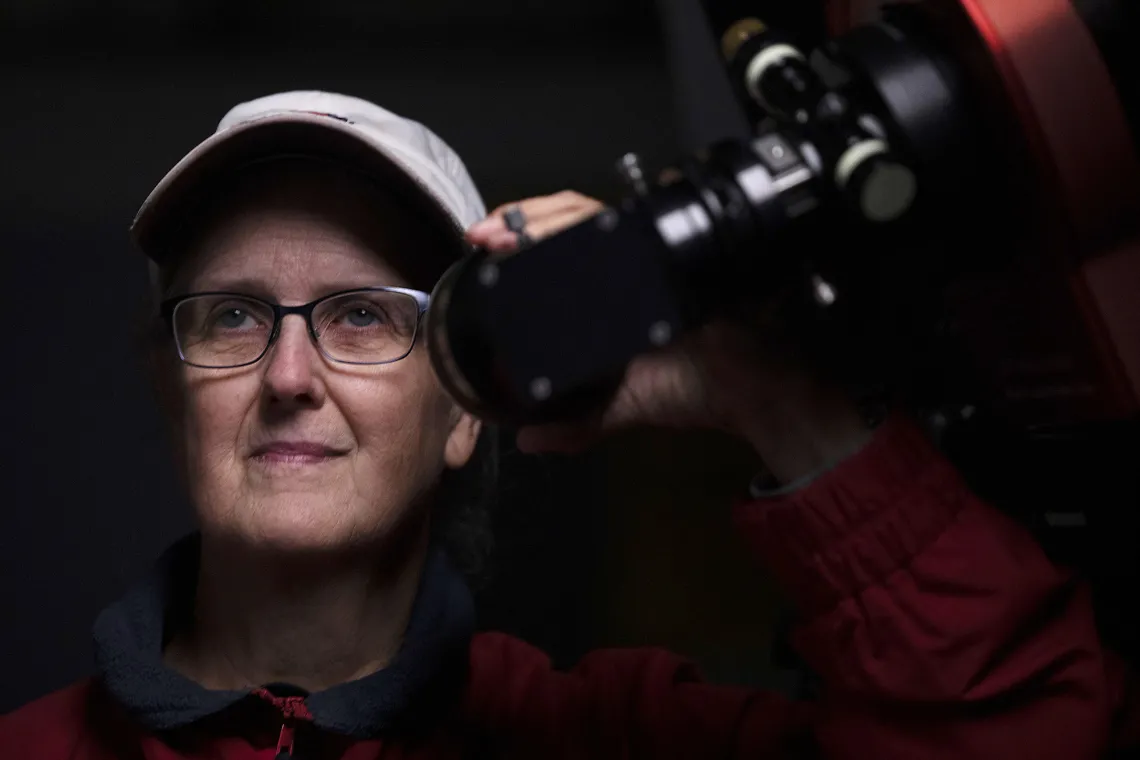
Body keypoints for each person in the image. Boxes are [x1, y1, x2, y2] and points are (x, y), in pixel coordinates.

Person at [0, 90, 1112, 759]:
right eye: (236, 314)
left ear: (463, 412)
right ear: (169, 386)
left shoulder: (621, 738)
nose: (291, 372)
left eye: (365, 316)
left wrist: (765, 392)